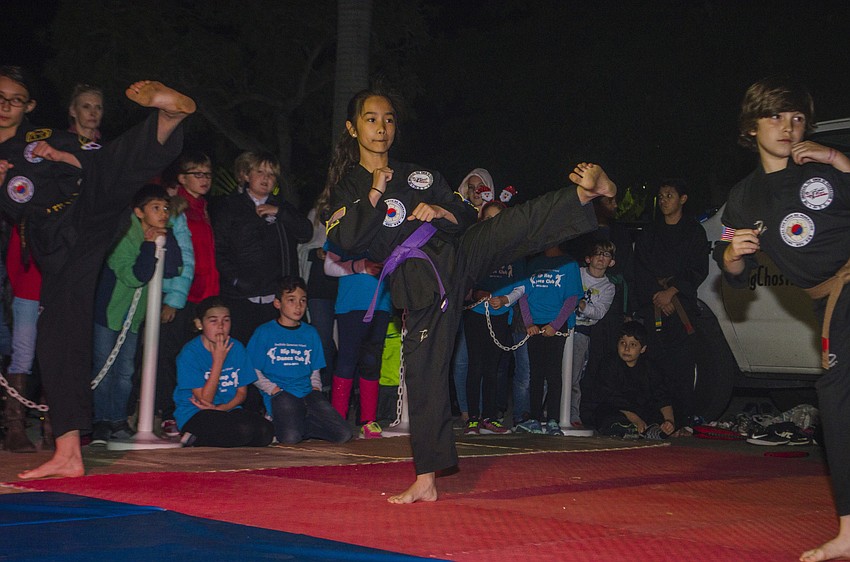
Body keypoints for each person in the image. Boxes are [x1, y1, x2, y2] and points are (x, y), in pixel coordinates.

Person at [324, 87, 615, 503]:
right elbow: (347, 241)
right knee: (423, 374)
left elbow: (462, 212)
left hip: (456, 253)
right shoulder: (347, 189)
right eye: (371, 119)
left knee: (509, 227)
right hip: (421, 281)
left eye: (388, 119)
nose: (381, 128)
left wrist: (442, 212)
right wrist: (374, 190)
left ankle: (584, 195)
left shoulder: (418, 175)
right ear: (353, 128)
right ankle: (426, 478)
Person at [0, 66, 194, 479]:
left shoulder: (42, 139)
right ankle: (68, 452)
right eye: (0, 97)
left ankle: (168, 118)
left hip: (85, 214)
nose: (5, 106)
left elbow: (94, 162)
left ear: (28, 106)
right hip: (52, 249)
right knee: (57, 338)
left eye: (15, 99)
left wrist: (62, 156)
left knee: (105, 172)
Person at [714, 77, 850, 562]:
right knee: (839, 396)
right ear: (752, 127)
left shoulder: (826, 167)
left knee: (838, 391)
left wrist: (840, 160)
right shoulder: (744, 199)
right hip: (828, 298)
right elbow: (732, 273)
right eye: (775, 117)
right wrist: (732, 255)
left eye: (796, 118)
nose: (789, 127)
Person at [90, 183, 183, 445]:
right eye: (156, 208)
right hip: (109, 314)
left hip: (134, 318)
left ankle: (118, 420)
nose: (163, 213)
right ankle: (100, 423)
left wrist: (167, 237)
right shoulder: (123, 234)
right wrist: (148, 245)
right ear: (139, 212)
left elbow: (173, 267)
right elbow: (135, 276)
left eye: (166, 208)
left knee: (125, 371)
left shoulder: (162, 233)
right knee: (104, 368)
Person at [212, 151, 312, 346]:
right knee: (241, 355)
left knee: (275, 356)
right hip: (241, 298)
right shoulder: (229, 207)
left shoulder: (283, 206)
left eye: (272, 174)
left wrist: (280, 213)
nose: (266, 179)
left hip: (275, 299)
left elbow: (306, 232)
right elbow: (219, 250)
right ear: (246, 175)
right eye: (260, 172)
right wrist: (236, 280)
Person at [633, 178, 708, 429]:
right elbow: (639, 267)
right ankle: (658, 420)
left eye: (669, 195)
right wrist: (657, 294)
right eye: (661, 196)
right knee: (654, 364)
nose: (664, 200)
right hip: (653, 303)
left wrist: (673, 292)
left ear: (682, 199)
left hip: (681, 306)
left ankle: (683, 420)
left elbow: (699, 268)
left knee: (682, 367)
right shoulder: (649, 232)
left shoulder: (694, 231)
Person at [155, 151, 217, 437]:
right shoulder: (175, 206)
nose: (204, 180)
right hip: (181, 294)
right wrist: (171, 298)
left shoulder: (205, 207)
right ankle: (167, 413)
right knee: (169, 356)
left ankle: (191, 410)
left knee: (195, 357)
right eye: (197, 174)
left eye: (207, 174)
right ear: (182, 178)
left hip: (206, 294)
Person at [247, 276, 352, 445]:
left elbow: (315, 368)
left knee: (343, 434)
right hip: (281, 395)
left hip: (307, 392)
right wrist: (273, 389)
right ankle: (280, 422)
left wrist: (316, 388)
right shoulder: (264, 332)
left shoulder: (310, 333)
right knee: (290, 438)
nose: (298, 306)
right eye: (291, 300)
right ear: (277, 303)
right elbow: (252, 370)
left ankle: (298, 424)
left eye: (302, 300)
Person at [173, 296, 274, 447]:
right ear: (199, 324)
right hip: (196, 412)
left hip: (228, 410)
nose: (220, 326)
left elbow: (241, 393)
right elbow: (205, 400)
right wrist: (218, 361)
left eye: (226, 320)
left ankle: (216, 438)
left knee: (265, 432)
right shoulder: (190, 353)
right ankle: (194, 437)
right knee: (242, 431)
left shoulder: (237, 347)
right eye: (213, 321)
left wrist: (222, 408)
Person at [461, 201, 522, 435]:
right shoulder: (475, 248)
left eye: (497, 218)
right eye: (488, 219)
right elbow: (465, 281)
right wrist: (476, 293)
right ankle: (473, 418)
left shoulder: (514, 251)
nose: (492, 223)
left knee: (493, 369)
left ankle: (490, 417)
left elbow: (521, 285)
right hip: (476, 314)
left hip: (500, 315)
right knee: (474, 366)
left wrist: (505, 299)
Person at [324, 240, 391, 438]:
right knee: (347, 360)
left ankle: (369, 421)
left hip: (381, 304)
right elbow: (328, 267)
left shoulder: (387, 228)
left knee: (371, 362)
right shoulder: (346, 229)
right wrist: (360, 266)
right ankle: (337, 420)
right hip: (351, 305)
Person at [514, 243, 583, 436]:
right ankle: (534, 418)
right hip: (534, 324)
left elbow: (572, 298)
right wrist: (528, 323)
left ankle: (553, 420)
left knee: (553, 374)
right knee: (535, 373)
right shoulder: (534, 264)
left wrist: (556, 324)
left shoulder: (569, 264)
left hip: (556, 323)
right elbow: (523, 294)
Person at [592, 321, 675, 439]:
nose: (626, 348)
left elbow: (662, 396)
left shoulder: (650, 367)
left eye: (633, 345)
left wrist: (669, 421)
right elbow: (608, 396)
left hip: (641, 411)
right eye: (623, 343)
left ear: (643, 349)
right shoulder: (609, 364)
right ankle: (627, 429)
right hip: (618, 410)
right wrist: (634, 418)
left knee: (657, 415)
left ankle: (652, 430)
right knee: (605, 414)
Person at [570, 240, 616, 428]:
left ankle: (572, 414)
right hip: (561, 327)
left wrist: (581, 305)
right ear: (588, 258)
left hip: (583, 331)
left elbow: (599, 312)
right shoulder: (576, 274)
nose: (601, 258)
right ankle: (544, 413)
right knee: (553, 374)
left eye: (606, 255)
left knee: (574, 377)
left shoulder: (608, 287)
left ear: (611, 262)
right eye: (597, 253)